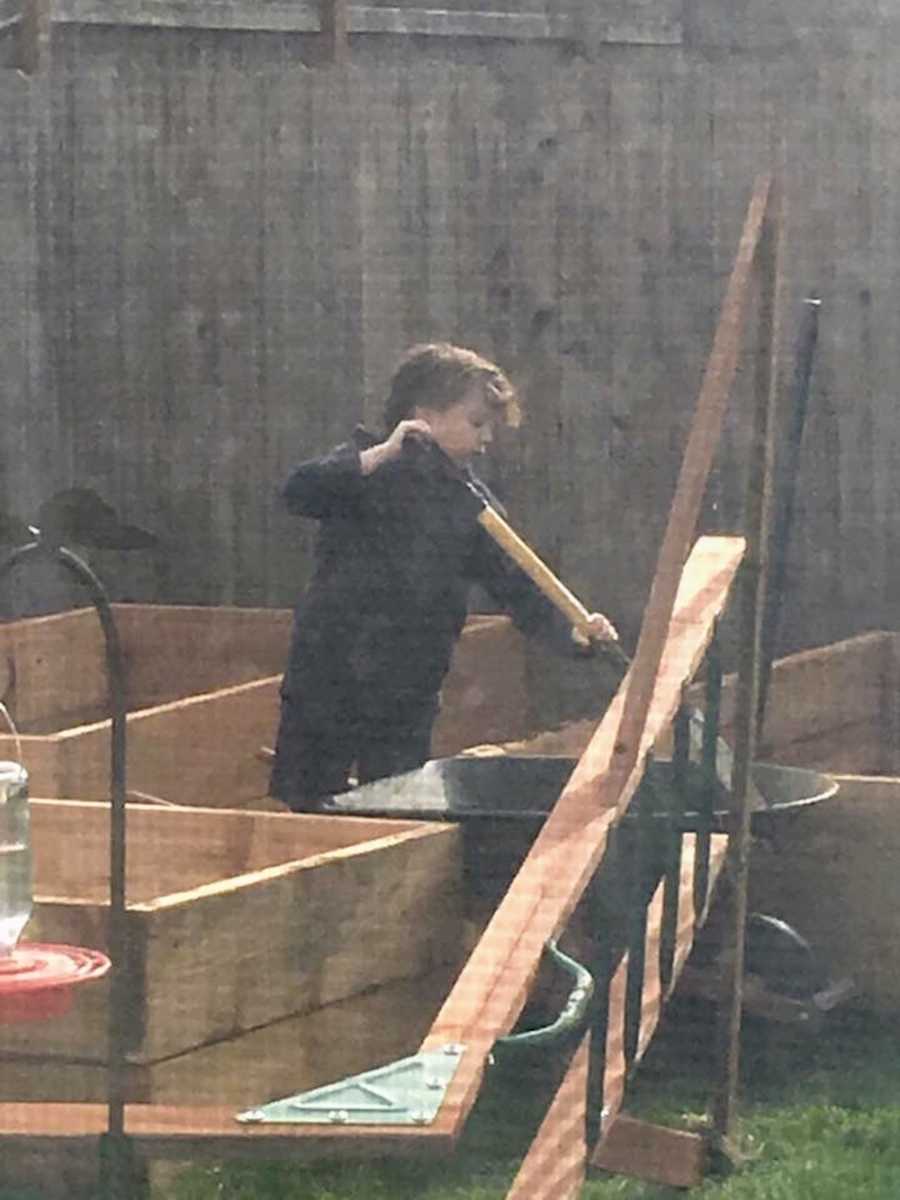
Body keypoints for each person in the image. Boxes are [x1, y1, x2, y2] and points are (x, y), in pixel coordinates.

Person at [270, 342, 618, 811]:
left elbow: (518, 588)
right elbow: (298, 492)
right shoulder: (364, 470)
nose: (486, 437)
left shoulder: (467, 502)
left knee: (394, 803)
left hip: (407, 682)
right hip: (329, 670)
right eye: (477, 422)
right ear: (424, 415)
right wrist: (380, 454)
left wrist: (575, 634)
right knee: (308, 798)